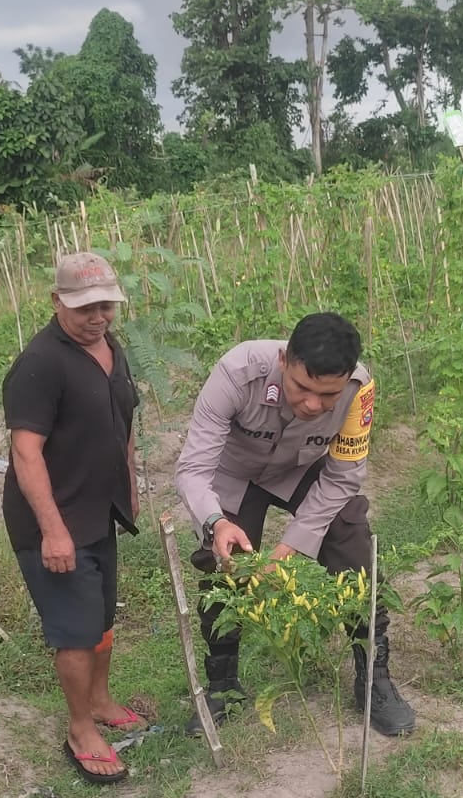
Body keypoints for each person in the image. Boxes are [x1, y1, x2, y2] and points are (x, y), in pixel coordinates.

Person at [174, 312, 415, 737]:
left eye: (327, 396)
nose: (312, 404)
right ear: (285, 360)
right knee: (222, 567)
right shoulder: (236, 373)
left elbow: (343, 475)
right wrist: (215, 523)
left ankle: (374, 678)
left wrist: (291, 547)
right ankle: (222, 686)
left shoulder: (360, 390)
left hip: (305, 468)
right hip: (236, 474)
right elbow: (193, 468)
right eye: (302, 388)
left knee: (351, 542)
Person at [2, 252, 142, 783]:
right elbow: (25, 453)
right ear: (56, 301)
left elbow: (123, 422)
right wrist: (53, 531)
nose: (97, 316)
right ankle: (80, 728)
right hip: (53, 523)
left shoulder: (111, 348)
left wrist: (127, 483)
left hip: (97, 511)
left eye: (106, 305)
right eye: (85, 307)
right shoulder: (40, 364)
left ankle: (102, 701)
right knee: (76, 632)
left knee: (102, 618)